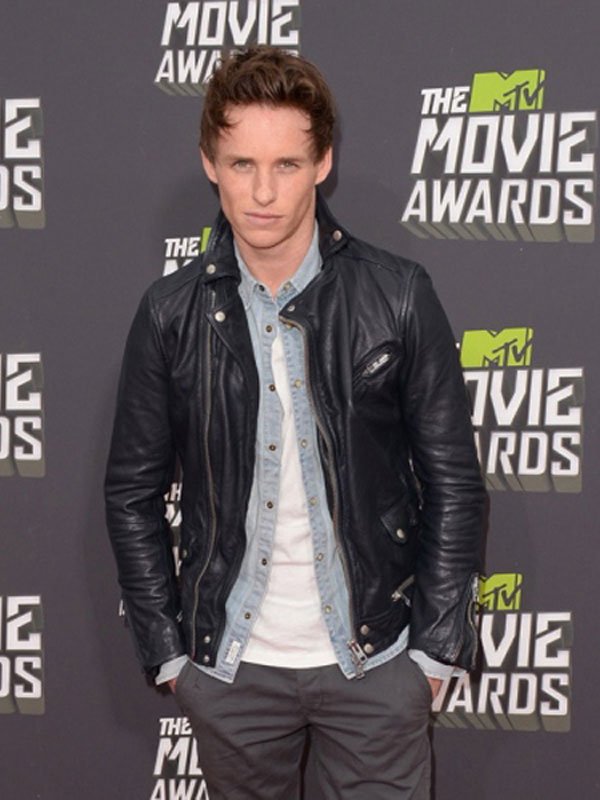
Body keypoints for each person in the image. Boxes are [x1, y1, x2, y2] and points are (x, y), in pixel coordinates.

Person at [105, 45, 486, 800]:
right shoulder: (170, 314)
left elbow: (453, 483)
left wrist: (434, 652)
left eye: (286, 164)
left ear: (323, 163)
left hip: (378, 665)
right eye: (241, 164)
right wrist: (170, 655)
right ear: (210, 164)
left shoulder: (397, 295)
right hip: (229, 672)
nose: (262, 192)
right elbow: (130, 494)